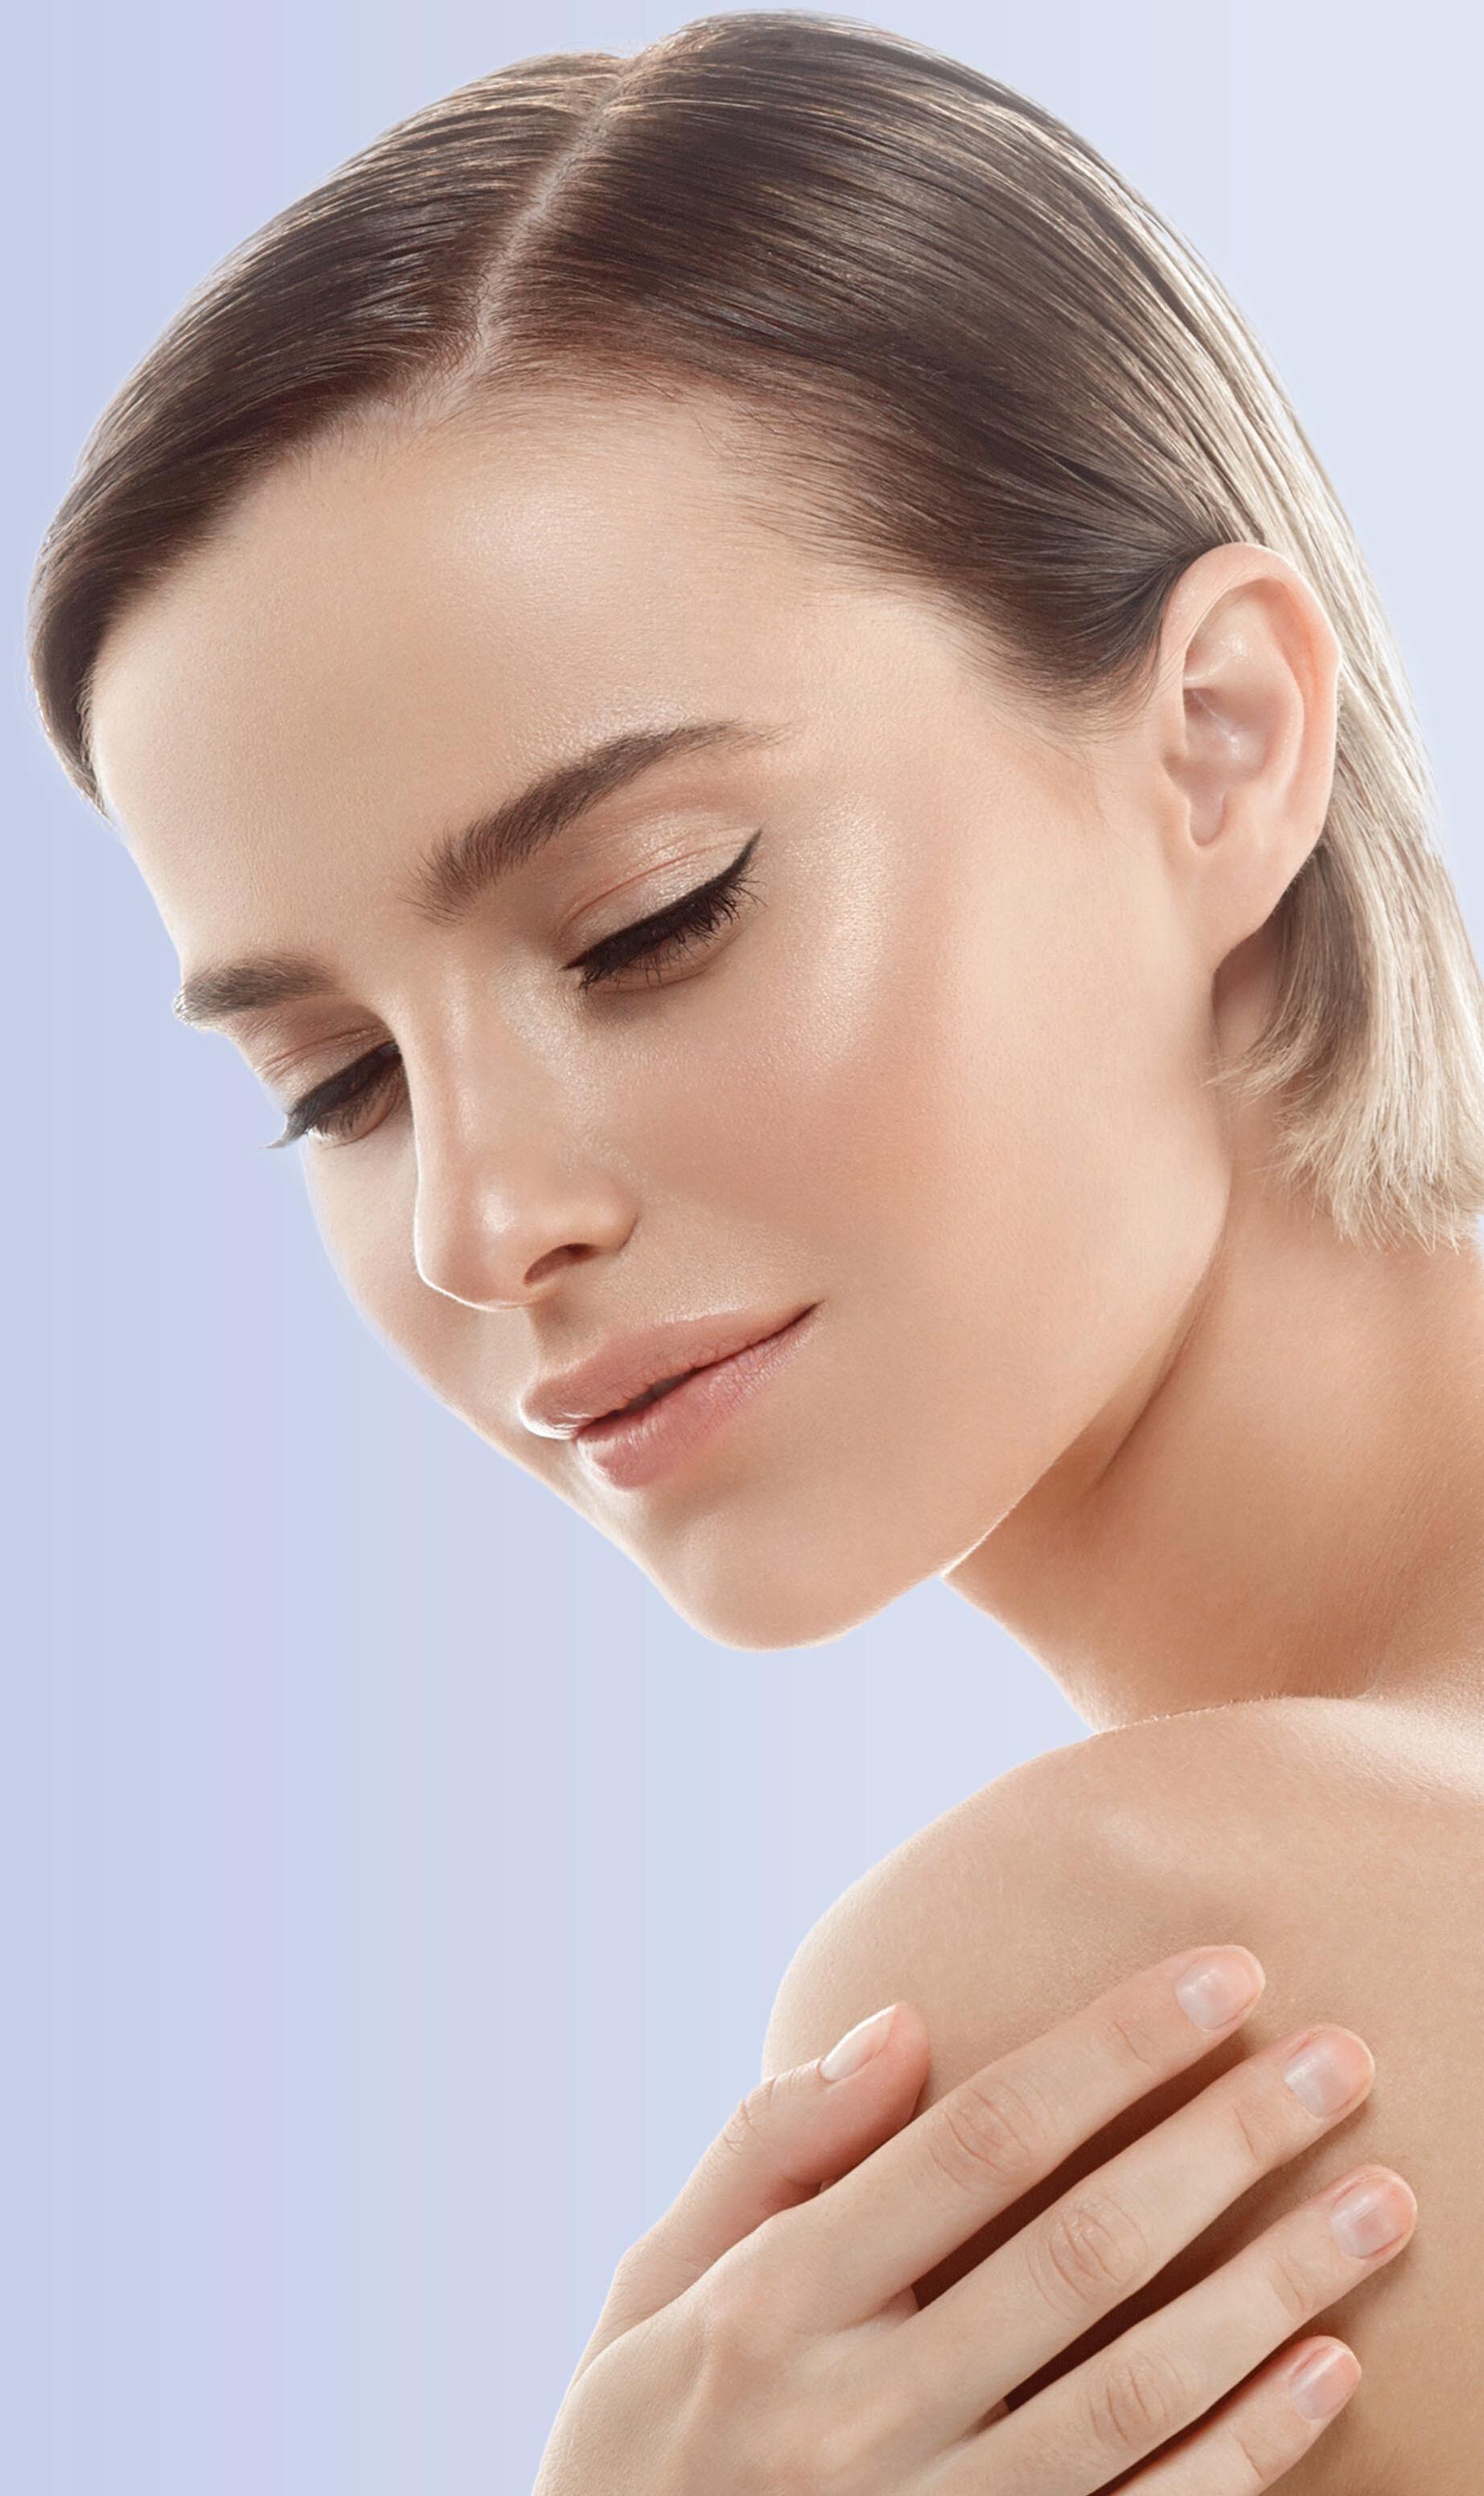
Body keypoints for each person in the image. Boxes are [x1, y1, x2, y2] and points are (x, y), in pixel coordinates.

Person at [25, 11, 1478, 2486]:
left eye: (652, 915)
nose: (484, 1222)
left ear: (1224, 737)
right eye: (338, 1086)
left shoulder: (1150, 2004)